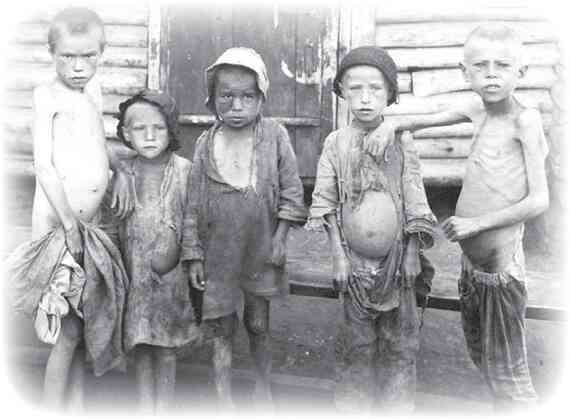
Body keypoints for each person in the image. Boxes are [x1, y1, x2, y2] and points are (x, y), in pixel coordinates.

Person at [379, 23, 549, 409]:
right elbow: (427, 118)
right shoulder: (476, 109)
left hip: (500, 273)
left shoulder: (525, 120)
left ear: (521, 72)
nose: (491, 74)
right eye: (481, 66)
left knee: (509, 376)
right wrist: (392, 123)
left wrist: (476, 224)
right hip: (472, 270)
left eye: (502, 65)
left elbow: (539, 200)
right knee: (483, 359)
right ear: (465, 72)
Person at [5, 6, 135, 411]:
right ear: (51, 53)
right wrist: (68, 225)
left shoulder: (91, 91)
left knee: (81, 321)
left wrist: (120, 170)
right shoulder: (46, 97)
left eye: (88, 56)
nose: (78, 67)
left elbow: (97, 141)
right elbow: (44, 166)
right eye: (67, 57)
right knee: (67, 329)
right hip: (59, 228)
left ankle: (75, 408)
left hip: (90, 225)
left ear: (102, 53)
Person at [307, 46, 437, 413]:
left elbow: (414, 197)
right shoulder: (336, 143)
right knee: (356, 347)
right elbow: (325, 200)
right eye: (355, 88)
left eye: (375, 89)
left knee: (400, 346)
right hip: (355, 267)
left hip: (398, 266)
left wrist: (412, 253)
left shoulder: (401, 140)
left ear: (390, 93)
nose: (365, 98)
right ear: (341, 91)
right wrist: (338, 257)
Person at [181, 47, 307, 408]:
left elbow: (292, 192)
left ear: (261, 97)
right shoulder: (205, 143)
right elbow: (193, 204)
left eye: (247, 97)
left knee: (258, 323)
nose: (237, 106)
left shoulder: (275, 136)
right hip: (217, 251)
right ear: (212, 98)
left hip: (260, 248)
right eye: (227, 96)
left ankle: (262, 386)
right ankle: (223, 399)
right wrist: (194, 255)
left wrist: (280, 239)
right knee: (220, 328)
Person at [110, 90, 200, 414]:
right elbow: (111, 224)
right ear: (125, 133)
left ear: (171, 129)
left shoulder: (185, 170)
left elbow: (193, 219)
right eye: (139, 129)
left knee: (166, 347)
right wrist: (114, 268)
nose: (149, 136)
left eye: (159, 128)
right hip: (134, 275)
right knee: (141, 344)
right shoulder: (123, 174)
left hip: (171, 280)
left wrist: (192, 258)